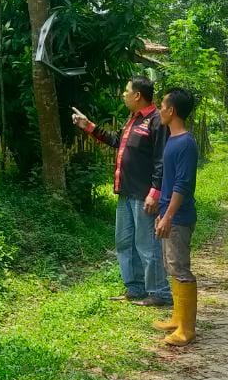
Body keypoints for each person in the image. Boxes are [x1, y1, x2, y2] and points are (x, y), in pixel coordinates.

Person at [73, 76, 171, 307]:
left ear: (137, 95)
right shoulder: (133, 120)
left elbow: (161, 160)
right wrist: (89, 126)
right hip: (125, 193)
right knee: (125, 243)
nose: (123, 95)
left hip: (143, 194)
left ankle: (159, 293)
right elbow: (117, 141)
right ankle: (135, 288)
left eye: (126, 91)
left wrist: (155, 192)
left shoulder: (156, 121)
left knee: (147, 245)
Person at [152, 88, 200, 346]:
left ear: (172, 111)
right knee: (171, 265)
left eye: (162, 106)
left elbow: (182, 185)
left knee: (180, 268)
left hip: (179, 217)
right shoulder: (172, 139)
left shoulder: (186, 144)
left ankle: (187, 329)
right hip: (168, 213)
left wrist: (169, 216)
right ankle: (176, 318)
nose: (159, 110)